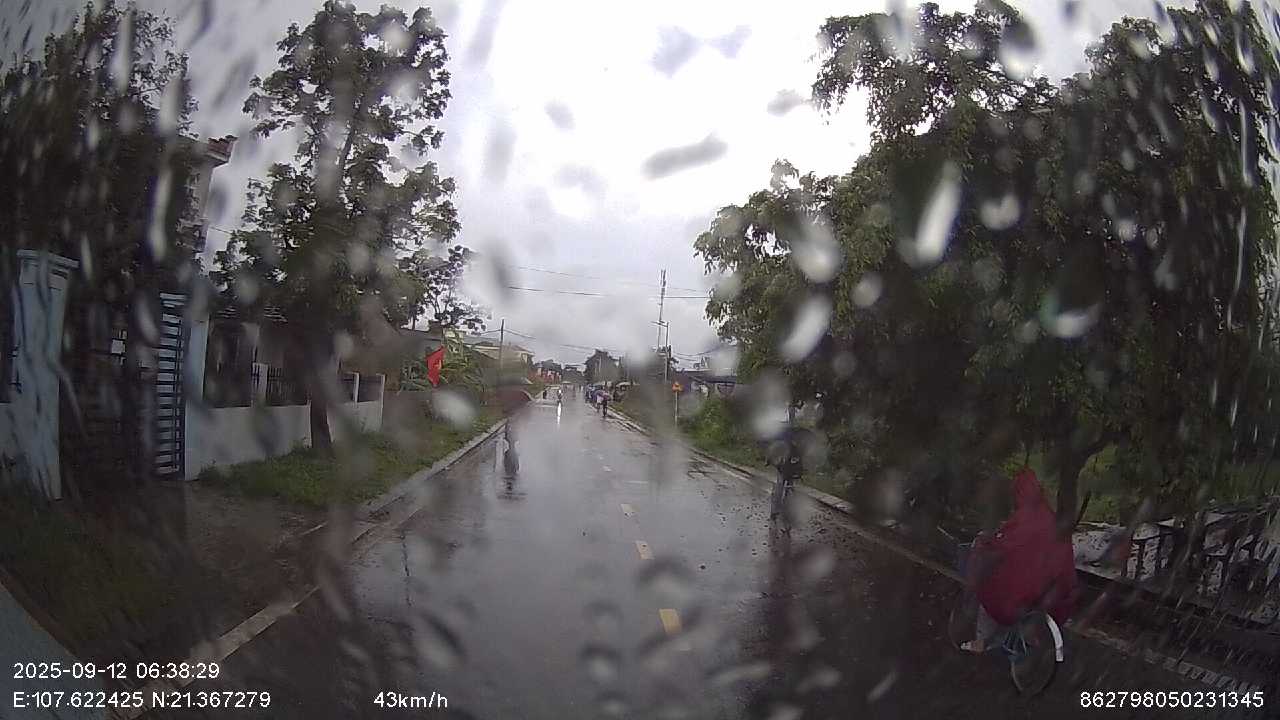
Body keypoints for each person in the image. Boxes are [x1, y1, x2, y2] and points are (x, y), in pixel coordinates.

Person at [963, 467, 1077, 653]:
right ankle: (1027, 641)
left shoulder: (1024, 518)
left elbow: (1006, 544)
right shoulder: (1050, 517)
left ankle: (981, 643)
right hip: (1054, 595)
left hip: (1027, 594)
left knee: (989, 592)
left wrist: (986, 543)